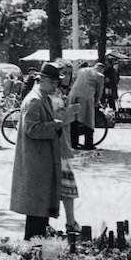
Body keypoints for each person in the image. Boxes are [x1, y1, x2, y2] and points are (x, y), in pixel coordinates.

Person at [10, 62, 79, 240]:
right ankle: (33, 252)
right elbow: (32, 129)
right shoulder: (35, 100)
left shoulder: (41, 97)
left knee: (39, 212)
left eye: (57, 83)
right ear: (43, 80)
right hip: (37, 161)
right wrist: (58, 124)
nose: (56, 86)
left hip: (41, 160)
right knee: (36, 214)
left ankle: (36, 251)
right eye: (54, 83)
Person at [50, 87, 81, 233]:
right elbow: (57, 120)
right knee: (66, 187)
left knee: (66, 188)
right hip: (57, 148)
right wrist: (70, 111)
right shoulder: (48, 98)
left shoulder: (56, 94)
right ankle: (70, 222)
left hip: (62, 146)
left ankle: (70, 221)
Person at [67, 62, 104, 150]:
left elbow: (74, 81)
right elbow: (99, 91)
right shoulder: (100, 76)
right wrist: (97, 102)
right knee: (89, 120)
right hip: (87, 97)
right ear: (102, 69)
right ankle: (88, 143)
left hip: (73, 95)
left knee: (74, 119)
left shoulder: (82, 70)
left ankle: (73, 143)